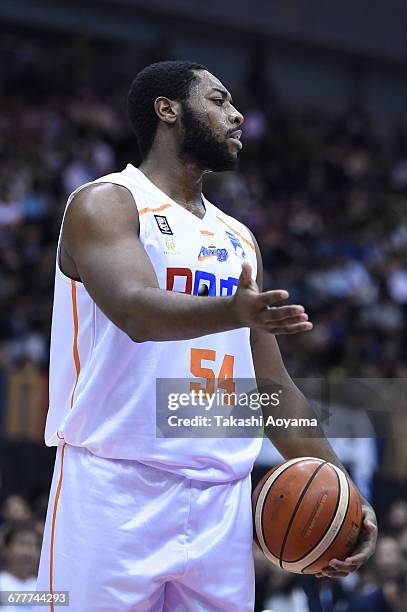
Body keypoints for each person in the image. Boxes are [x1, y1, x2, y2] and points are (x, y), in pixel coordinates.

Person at [36, 61, 377, 610]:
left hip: (222, 503)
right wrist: (236, 310)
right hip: (114, 490)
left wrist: (345, 494)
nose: (237, 114)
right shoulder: (107, 202)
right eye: (218, 100)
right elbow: (137, 311)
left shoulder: (238, 239)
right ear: (167, 110)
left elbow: (270, 384)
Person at [0, 522, 40, 610]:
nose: (29, 552)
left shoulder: (43, 587)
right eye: (22, 543)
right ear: (7, 548)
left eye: (34, 545)